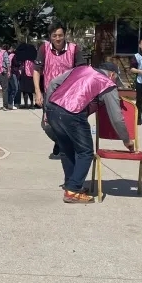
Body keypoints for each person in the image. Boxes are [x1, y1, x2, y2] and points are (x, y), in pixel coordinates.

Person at [45, 62, 132, 204]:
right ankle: (73, 191)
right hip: (72, 113)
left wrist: (47, 109)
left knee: (66, 149)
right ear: (112, 74)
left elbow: (53, 83)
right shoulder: (106, 83)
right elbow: (117, 118)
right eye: (116, 80)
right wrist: (126, 139)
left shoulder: (81, 69)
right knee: (85, 152)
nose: (115, 84)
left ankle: (71, 184)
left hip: (53, 108)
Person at [33, 24, 87, 158]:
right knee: (47, 125)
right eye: (54, 36)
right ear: (50, 36)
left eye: (60, 35)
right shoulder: (44, 48)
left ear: (65, 35)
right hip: (50, 95)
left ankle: (65, 147)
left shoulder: (74, 49)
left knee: (67, 123)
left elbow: (82, 72)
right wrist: (38, 92)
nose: (57, 39)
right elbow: (36, 70)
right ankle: (62, 143)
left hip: (69, 95)